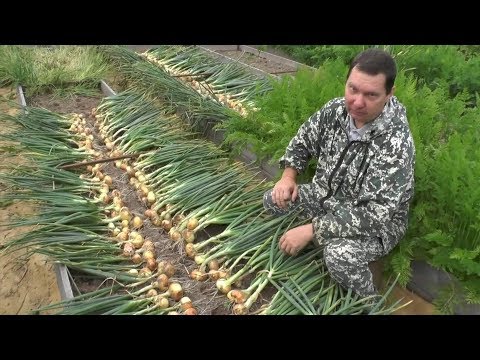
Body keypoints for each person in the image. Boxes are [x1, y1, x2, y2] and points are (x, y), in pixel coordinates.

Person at [263, 48, 415, 297]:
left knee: (338, 255)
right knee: (274, 200)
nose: (357, 102)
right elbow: (301, 143)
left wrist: (312, 230)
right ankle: (314, 253)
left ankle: (368, 301)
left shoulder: (395, 143)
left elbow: (374, 215)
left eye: (371, 95)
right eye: (353, 89)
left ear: (389, 94)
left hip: (376, 225)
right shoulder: (335, 111)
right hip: (326, 198)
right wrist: (288, 177)